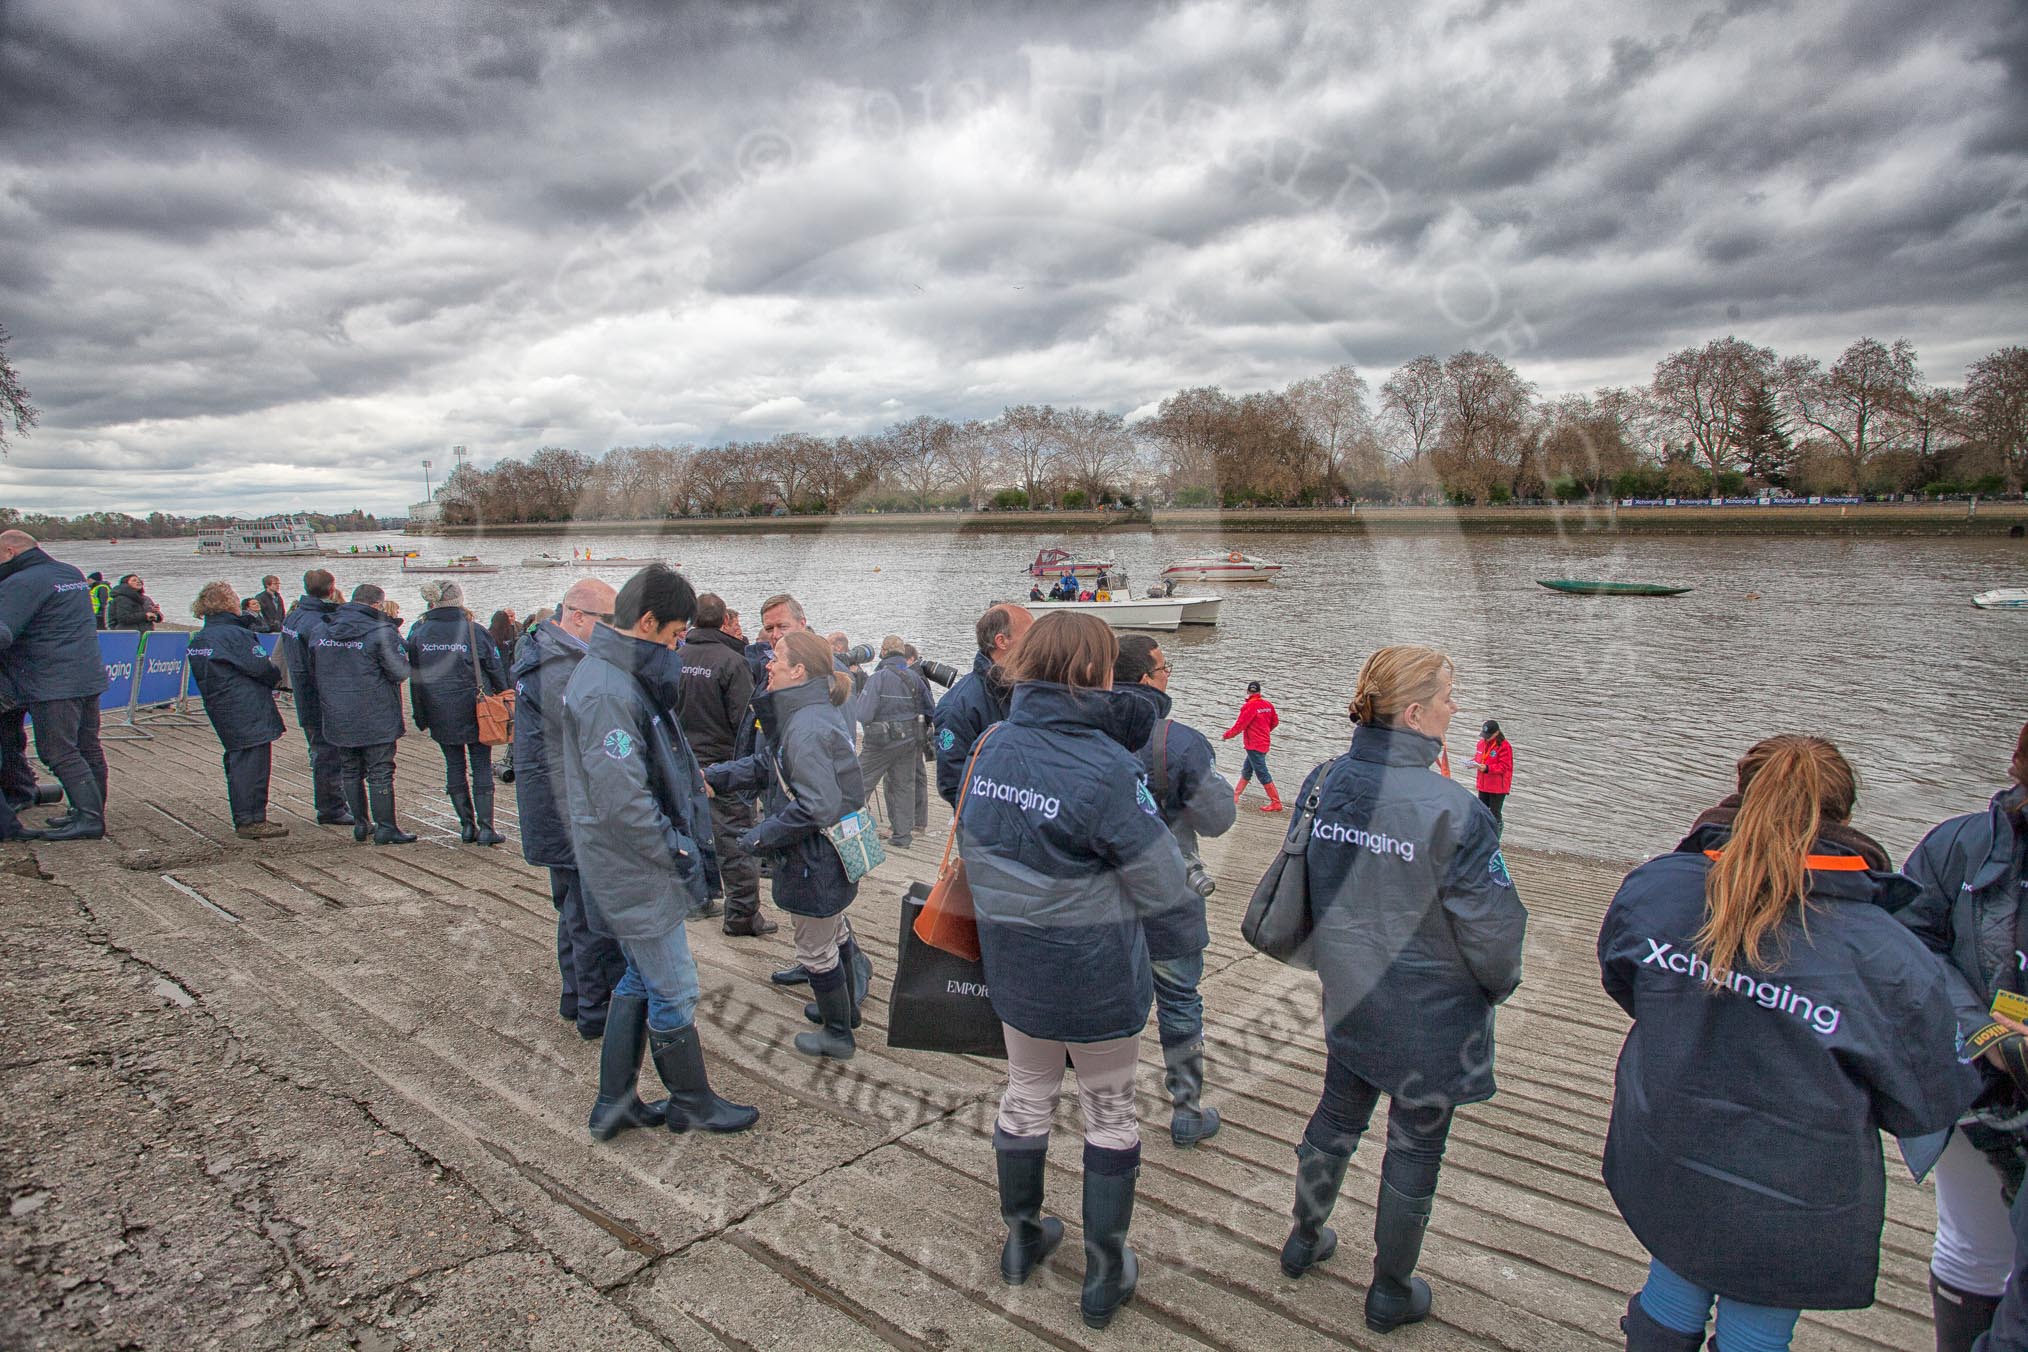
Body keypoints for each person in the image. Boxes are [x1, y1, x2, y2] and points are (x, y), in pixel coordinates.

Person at [1601, 735, 1975, 1352]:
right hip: (1794, 1187)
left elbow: (1626, 980)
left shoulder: (1662, 889)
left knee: (1674, 1277)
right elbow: (1928, 1096)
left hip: (1668, 1140)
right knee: (1758, 1320)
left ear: (1740, 796)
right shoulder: (1883, 950)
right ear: (1844, 818)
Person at [1277, 644, 1527, 1336]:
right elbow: (1496, 936)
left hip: (1350, 987)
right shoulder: (1457, 810)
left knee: (1336, 1114)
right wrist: (1498, 988)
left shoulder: (1325, 780)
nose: (1456, 708)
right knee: (1415, 1143)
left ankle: (1303, 1237)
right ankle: (1390, 1290)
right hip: (1431, 1007)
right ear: (1415, 714)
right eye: (1448, 696)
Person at [957, 612, 1194, 1329]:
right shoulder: (1109, 767)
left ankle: (1022, 1239)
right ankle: (1103, 1272)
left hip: (1015, 961)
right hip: (1093, 970)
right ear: (1093, 674)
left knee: (1027, 1091)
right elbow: (1161, 884)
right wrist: (1185, 942)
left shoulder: (990, 744)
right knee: (1109, 1111)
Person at [561, 564, 756, 1137]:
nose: (678, 646)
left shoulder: (618, 677)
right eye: (674, 635)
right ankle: (690, 1101)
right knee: (675, 987)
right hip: (635, 866)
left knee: (640, 980)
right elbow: (622, 800)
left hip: (628, 863)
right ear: (647, 622)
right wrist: (678, 850)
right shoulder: (605, 689)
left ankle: (613, 1103)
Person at [1899, 723, 2028, 1352]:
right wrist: (1984, 1032)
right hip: (1976, 1081)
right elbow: (1912, 942)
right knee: (1974, 1246)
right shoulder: (1960, 846)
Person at [705, 628, 870, 1062]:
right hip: (831, 852)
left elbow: (817, 805)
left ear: (799, 670)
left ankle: (838, 1034)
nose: (768, 664)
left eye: (777, 658)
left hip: (812, 858)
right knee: (833, 927)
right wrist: (720, 775)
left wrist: (761, 835)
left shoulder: (804, 726)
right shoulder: (812, 712)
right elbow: (769, 764)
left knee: (815, 947)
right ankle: (846, 1011)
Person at [1113, 635, 1235, 1148]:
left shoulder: (1080, 731)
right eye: (1166, 669)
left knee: (1115, 1004)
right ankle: (1185, 1109)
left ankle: (1108, 1110)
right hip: (1170, 896)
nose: (1169, 677)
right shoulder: (1178, 741)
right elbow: (1217, 818)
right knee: (1180, 1001)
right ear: (1145, 678)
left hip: (1104, 901)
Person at [513, 579, 629, 1040]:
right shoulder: (563, 670)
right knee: (591, 916)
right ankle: (596, 1010)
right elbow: (602, 736)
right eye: (608, 622)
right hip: (570, 810)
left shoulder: (544, 655)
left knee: (573, 908)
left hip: (555, 803)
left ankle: (575, 996)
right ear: (577, 617)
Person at [0, 531, 110, 841]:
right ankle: (89, 810)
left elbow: (3, 632)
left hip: (51, 681)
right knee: (88, 746)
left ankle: (89, 820)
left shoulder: (20, 583)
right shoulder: (68, 573)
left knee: (58, 750)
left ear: (10, 552)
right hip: (86, 673)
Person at [678, 593, 776, 937]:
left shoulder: (677, 656)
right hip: (723, 762)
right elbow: (745, 722)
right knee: (735, 839)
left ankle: (696, 898)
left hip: (684, 759)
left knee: (690, 833)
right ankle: (741, 914)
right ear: (724, 621)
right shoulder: (731, 661)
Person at [405, 580, 509, 846]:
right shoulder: (474, 631)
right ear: (459, 601)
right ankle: (486, 828)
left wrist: (420, 714)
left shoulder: (419, 632)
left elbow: (414, 679)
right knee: (481, 766)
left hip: (438, 707)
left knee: (454, 765)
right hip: (475, 707)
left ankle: (466, 826)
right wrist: (505, 695)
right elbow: (495, 668)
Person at [312, 583, 416, 845]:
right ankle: (386, 827)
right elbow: (399, 672)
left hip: (337, 709)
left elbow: (312, 665)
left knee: (350, 768)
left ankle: (360, 822)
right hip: (375, 709)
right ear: (377, 605)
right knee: (380, 769)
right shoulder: (382, 632)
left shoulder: (322, 628)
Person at [186, 582, 288, 840]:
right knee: (252, 762)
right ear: (227, 603)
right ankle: (250, 818)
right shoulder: (234, 634)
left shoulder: (202, 637)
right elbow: (260, 668)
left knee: (238, 758)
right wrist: (275, 674)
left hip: (220, 702)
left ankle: (248, 815)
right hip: (245, 703)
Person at [932, 602, 1034, 809]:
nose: (1037, 643)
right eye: (1030, 636)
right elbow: (952, 783)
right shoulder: (958, 705)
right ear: (1002, 641)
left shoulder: (1031, 690)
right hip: (990, 832)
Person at [280, 569, 352, 826]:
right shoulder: (318, 622)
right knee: (327, 753)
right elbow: (329, 661)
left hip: (304, 691)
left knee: (320, 750)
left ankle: (332, 803)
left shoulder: (293, 617)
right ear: (331, 589)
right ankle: (332, 807)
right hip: (322, 695)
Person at [854, 635, 933, 848]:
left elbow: (863, 713)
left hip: (879, 743)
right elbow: (929, 709)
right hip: (908, 742)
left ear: (884, 652)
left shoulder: (878, 678)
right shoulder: (914, 678)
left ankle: (854, 832)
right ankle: (902, 837)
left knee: (859, 783)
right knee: (904, 787)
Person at [1223, 679, 1282, 811]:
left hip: (1254, 745)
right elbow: (1275, 722)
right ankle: (1235, 796)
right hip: (1264, 742)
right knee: (1247, 770)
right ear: (1259, 692)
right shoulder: (1268, 705)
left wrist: (1227, 735)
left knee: (1262, 773)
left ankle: (1276, 802)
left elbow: (1240, 725)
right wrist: (1265, 731)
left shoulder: (1249, 706)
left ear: (1248, 691)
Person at [1471, 719, 1512, 832]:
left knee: (1494, 814)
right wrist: (1472, 762)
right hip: (1483, 784)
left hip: (1497, 787)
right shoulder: (1481, 744)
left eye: (1488, 736)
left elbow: (1504, 767)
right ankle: (1482, 834)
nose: (1486, 738)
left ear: (1496, 733)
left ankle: (1496, 836)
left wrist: (1488, 768)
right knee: (1481, 811)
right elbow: (1479, 758)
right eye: (1485, 735)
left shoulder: (1504, 746)